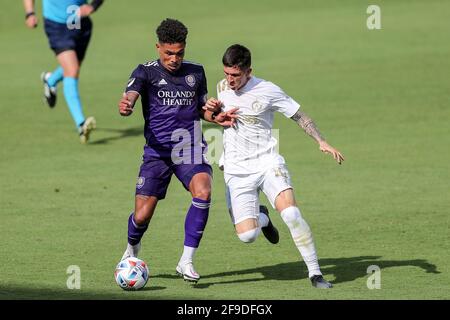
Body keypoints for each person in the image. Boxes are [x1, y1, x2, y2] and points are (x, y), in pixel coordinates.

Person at [203, 44, 345, 289]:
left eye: (235, 75)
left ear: (249, 71)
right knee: (247, 236)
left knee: (291, 213)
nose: (230, 79)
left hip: (267, 161)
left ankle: (316, 274)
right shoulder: (222, 87)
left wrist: (321, 141)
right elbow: (215, 116)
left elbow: (300, 116)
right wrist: (212, 112)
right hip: (237, 169)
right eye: (227, 73)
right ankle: (263, 219)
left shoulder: (268, 90)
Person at [117, 18, 223, 283]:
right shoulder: (145, 72)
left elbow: (201, 108)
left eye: (179, 53)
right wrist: (127, 104)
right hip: (157, 153)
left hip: (189, 148)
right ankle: (132, 248)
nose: (174, 59)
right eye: (169, 53)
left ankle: (186, 261)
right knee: (141, 216)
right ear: (158, 47)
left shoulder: (196, 72)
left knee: (204, 191)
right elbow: (131, 94)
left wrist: (214, 115)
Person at [23, 0, 104, 143]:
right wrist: (30, 13)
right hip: (57, 26)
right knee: (72, 70)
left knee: (73, 68)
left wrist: (93, 6)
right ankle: (81, 124)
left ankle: (51, 81)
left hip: (80, 23)